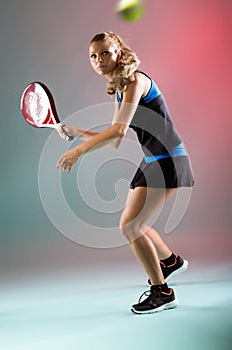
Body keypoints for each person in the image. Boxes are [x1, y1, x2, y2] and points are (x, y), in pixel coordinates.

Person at [57, 31, 194, 314]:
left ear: (118, 51)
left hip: (168, 160)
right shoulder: (120, 87)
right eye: (93, 56)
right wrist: (76, 133)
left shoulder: (134, 80)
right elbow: (115, 137)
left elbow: (117, 131)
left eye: (104, 52)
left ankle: (163, 293)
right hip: (152, 160)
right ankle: (170, 262)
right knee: (135, 224)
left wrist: (77, 152)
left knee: (130, 226)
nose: (98, 60)